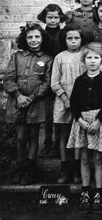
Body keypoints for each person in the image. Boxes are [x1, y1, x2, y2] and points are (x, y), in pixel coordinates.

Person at [67, 42, 102, 212]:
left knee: (98, 158)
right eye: (89, 58)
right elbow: (73, 103)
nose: (93, 61)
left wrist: (98, 121)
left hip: (98, 121)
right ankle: (85, 190)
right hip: (82, 122)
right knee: (85, 157)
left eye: (96, 58)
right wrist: (79, 120)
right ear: (84, 60)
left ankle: (98, 192)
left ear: (101, 61)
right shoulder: (79, 80)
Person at [3, 23, 53, 185]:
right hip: (18, 102)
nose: (33, 40)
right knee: (20, 136)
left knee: (33, 135)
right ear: (25, 39)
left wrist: (31, 97)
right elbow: (8, 79)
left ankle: (30, 170)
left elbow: (47, 82)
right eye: (30, 37)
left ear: (42, 38)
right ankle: (21, 167)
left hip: (36, 102)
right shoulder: (16, 56)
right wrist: (18, 95)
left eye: (37, 37)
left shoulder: (46, 58)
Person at [51, 25, 87, 184]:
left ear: (81, 40)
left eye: (76, 38)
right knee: (64, 136)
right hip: (64, 102)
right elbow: (54, 82)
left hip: (82, 102)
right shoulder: (60, 57)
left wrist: (79, 102)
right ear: (64, 40)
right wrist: (65, 100)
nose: (73, 41)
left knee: (79, 136)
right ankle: (65, 168)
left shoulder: (86, 56)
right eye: (69, 38)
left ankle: (77, 169)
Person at [36, 3, 66, 157]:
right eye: (50, 17)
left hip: (59, 73)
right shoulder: (41, 34)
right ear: (44, 18)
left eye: (56, 17)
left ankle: (57, 142)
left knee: (59, 110)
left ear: (60, 18)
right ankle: (47, 140)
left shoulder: (63, 34)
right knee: (47, 110)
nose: (53, 20)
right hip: (44, 73)